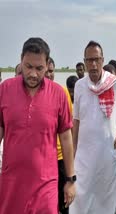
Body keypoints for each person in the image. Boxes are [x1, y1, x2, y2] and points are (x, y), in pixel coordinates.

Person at [0, 37, 75, 213]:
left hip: (46, 182)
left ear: (48, 64)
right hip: (11, 181)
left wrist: (71, 180)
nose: (33, 74)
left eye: (39, 68)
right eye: (28, 67)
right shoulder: (5, 89)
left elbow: (66, 138)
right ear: (21, 60)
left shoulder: (58, 93)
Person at [70, 40, 116, 214]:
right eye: (89, 60)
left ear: (102, 60)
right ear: (84, 62)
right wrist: (73, 150)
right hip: (84, 157)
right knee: (80, 202)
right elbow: (76, 120)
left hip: (106, 154)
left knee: (105, 202)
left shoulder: (113, 83)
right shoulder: (79, 86)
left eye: (96, 59)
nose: (93, 64)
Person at [45, 57, 74, 214]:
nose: (49, 75)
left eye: (52, 71)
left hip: (61, 157)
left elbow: (68, 129)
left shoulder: (62, 92)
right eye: (46, 71)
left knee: (64, 202)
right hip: (44, 158)